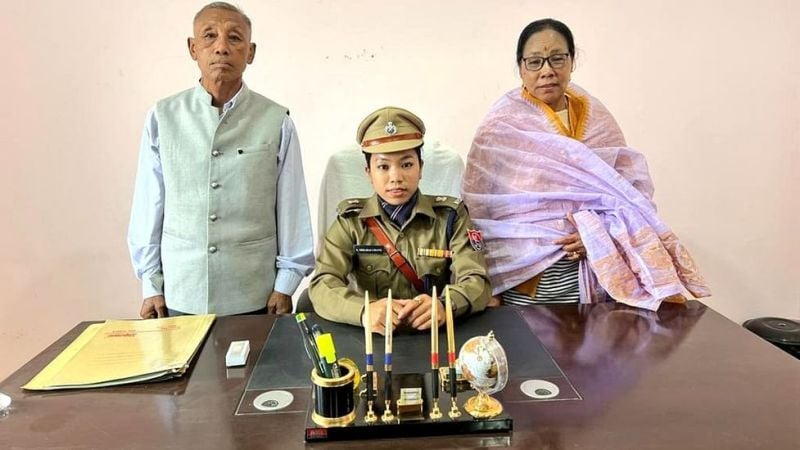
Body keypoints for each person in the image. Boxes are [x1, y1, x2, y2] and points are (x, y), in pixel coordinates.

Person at [461, 18, 710, 311]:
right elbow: (480, 207)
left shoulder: (597, 119)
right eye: (535, 62)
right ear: (521, 68)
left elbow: (630, 194)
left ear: (572, 61)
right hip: (526, 278)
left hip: (596, 274)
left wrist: (595, 234)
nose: (547, 71)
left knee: (595, 340)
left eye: (557, 58)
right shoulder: (500, 127)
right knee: (529, 341)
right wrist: (487, 287)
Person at [128, 2, 314, 318]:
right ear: (193, 48)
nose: (221, 48)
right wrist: (151, 284)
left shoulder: (276, 120)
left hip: (254, 291)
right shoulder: (163, 117)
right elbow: (149, 204)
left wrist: (286, 284)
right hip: (181, 289)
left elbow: (292, 206)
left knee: (256, 354)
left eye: (234, 38)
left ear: (250, 52)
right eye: (209, 36)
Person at [310, 107, 491, 333]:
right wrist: (363, 311)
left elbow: (477, 280)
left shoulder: (451, 217)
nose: (396, 177)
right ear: (368, 173)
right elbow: (322, 283)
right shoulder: (351, 222)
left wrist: (446, 304)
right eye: (383, 166)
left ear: (421, 168)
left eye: (406, 164)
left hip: (434, 335)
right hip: (374, 338)